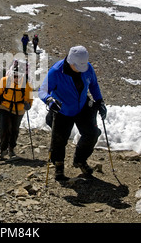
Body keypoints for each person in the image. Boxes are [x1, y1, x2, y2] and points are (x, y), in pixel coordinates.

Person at [38, 45, 107, 181]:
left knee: (92, 133)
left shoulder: (87, 68)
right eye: (78, 66)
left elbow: (93, 84)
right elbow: (42, 90)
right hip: (62, 109)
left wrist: (100, 101)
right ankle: (58, 166)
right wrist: (49, 99)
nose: (81, 69)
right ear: (70, 61)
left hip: (81, 107)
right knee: (59, 140)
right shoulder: (56, 71)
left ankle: (80, 160)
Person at [0, 60, 34, 159]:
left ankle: (11, 149)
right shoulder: (5, 81)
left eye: (19, 76)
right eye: (15, 76)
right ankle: (3, 149)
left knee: (14, 130)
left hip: (19, 109)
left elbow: (30, 97)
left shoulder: (27, 84)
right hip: (5, 107)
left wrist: (28, 104)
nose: (16, 78)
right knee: (4, 129)